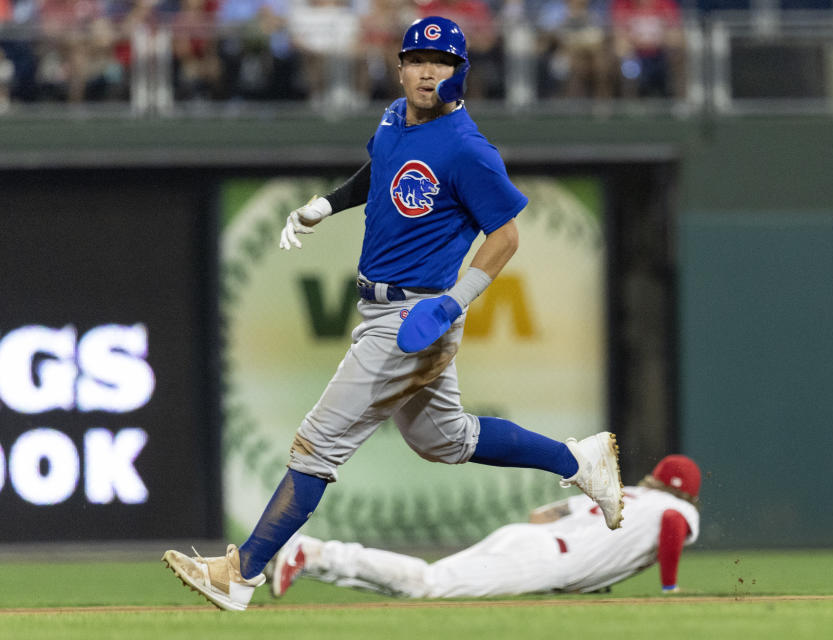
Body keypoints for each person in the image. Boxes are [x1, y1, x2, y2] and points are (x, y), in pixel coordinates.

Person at [163, 15, 625, 612]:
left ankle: (242, 574)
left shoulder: (465, 147)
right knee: (445, 439)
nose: (429, 70)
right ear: (399, 66)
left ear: (461, 73)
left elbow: (505, 236)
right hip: (380, 306)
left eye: (443, 61)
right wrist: (323, 206)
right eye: (417, 58)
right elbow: (378, 171)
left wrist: (453, 302)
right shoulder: (392, 117)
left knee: (318, 444)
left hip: (412, 319)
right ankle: (578, 461)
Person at [267, 455, 701, 598]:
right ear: (690, 494)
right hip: (544, 560)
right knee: (427, 583)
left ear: (655, 478)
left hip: (527, 538)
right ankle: (315, 552)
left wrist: (599, 561)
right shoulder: (675, 510)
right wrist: (669, 589)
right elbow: (669, 525)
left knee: (422, 585)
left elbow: (542, 516)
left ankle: (303, 558)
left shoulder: (626, 494)